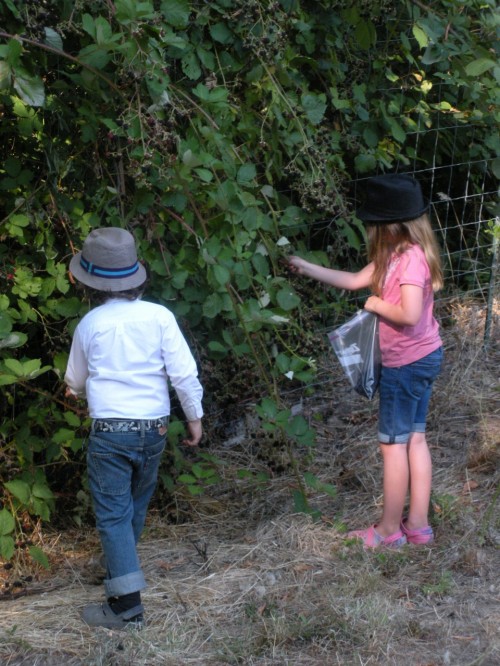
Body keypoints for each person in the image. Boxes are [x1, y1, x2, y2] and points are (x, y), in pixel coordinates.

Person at [288, 173, 443, 548]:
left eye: (373, 224)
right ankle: (418, 526)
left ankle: (389, 531)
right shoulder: (401, 254)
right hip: (424, 356)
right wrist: (307, 267)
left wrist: (375, 304)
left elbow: (406, 314)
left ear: (388, 226)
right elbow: (356, 279)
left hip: (405, 364)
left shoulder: (407, 263)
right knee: (415, 440)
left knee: (393, 446)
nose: (370, 231)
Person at [64, 227, 204, 628]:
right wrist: (193, 418)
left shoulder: (90, 325)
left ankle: (126, 608)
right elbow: (184, 374)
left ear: (90, 284)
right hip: (155, 430)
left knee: (111, 514)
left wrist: (76, 389)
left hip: (111, 432)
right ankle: (119, 571)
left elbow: (75, 379)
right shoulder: (160, 316)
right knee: (133, 507)